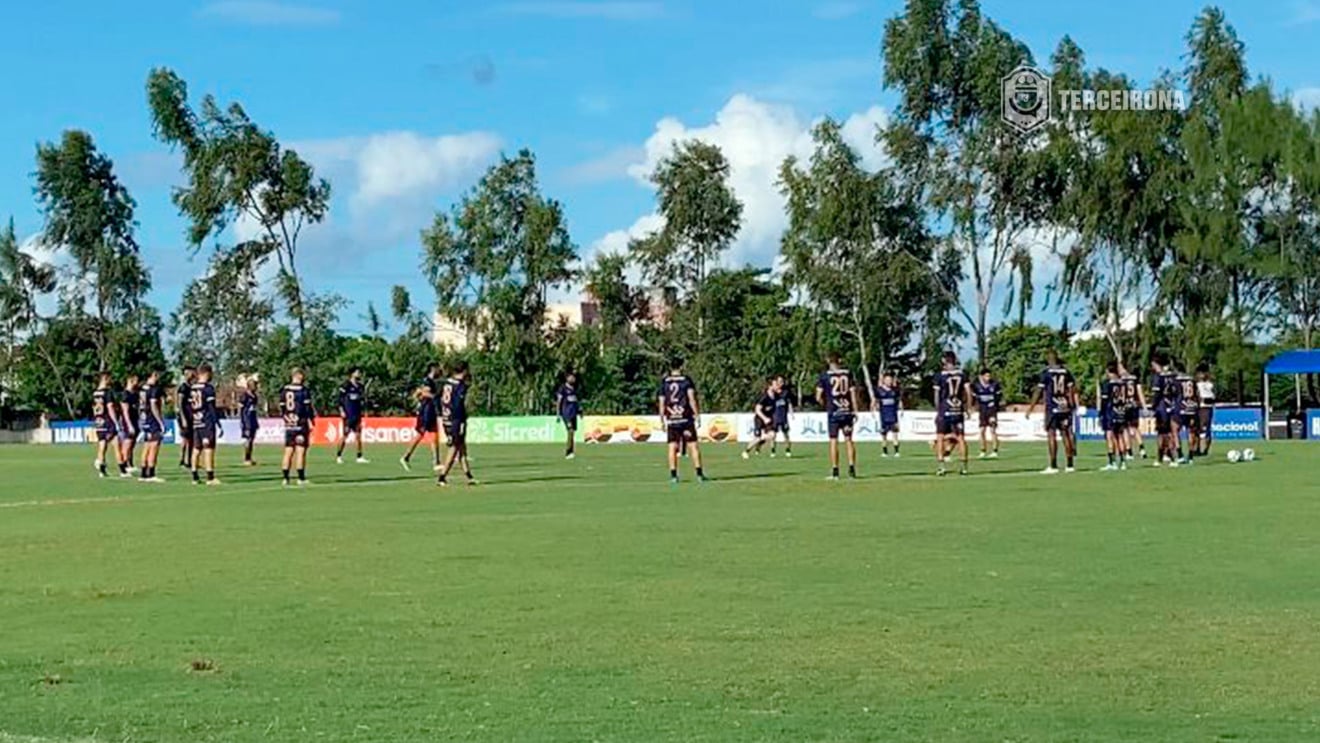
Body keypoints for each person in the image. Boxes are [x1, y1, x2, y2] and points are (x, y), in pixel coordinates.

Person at [1026, 350, 1078, 474]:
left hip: (1052, 407)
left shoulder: (1046, 373)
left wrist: (1031, 408)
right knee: (1066, 434)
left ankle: (1053, 465)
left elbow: (1038, 391)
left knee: (1051, 434)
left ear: (1049, 360)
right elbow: (1072, 390)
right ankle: (1070, 465)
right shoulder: (1066, 372)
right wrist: (1072, 405)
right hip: (1065, 406)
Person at [658, 357, 706, 484]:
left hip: (672, 419)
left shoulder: (665, 382)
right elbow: (691, 398)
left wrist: (662, 419)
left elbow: (662, 402)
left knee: (672, 447)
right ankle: (699, 474)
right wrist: (697, 414)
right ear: (681, 366)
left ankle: (674, 476)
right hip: (685, 417)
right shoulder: (686, 380)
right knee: (693, 446)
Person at [816, 353, 859, 481]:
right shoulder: (847, 374)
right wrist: (855, 410)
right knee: (849, 439)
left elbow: (818, 396)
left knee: (833, 440)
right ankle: (852, 469)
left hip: (833, 412)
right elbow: (852, 393)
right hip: (846, 411)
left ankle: (835, 471)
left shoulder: (824, 376)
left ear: (829, 361)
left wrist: (825, 404)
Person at [436, 362, 478, 487]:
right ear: (464, 371)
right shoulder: (460, 386)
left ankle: (469, 476)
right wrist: (463, 416)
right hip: (456, 420)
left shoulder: (446, 383)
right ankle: (442, 477)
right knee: (454, 448)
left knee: (462, 447)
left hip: (446, 418)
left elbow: (440, 399)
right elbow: (459, 404)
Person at [933, 352, 971, 477]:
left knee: (940, 437)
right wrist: (967, 408)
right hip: (958, 408)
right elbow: (968, 392)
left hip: (945, 409)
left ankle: (941, 467)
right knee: (961, 438)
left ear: (944, 361)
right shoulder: (962, 374)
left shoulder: (939, 376)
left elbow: (937, 395)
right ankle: (964, 467)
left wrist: (937, 409)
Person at [401, 364, 442, 472]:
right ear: (433, 369)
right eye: (438, 368)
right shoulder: (427, 380)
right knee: (420, 434)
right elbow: (424, 392)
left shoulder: (431, 381)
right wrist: (435, 396)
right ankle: (406, 457)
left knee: (434, 436)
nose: (440, 371)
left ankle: (436, 462)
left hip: (431, 411)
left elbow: (419, 392)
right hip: (426, 411)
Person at [279, 368, 316, 487]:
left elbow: (282, 407)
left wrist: (286, 417)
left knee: (288, 450)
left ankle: (285, 478)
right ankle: (301, 478)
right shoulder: (303, 390)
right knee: (300, 450)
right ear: (298, 375)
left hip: (289, 423)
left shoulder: (284, 390)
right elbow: (307, 408)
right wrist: (311, 420)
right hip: (300, 423)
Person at [189, 364, 220, 485]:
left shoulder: (193, 388)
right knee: (209, 448)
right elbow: (211, 407)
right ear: (206, 373)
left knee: (196, 448)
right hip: (206, 421)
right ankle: (210, 477)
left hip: (196, 421)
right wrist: (216, 422)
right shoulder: (208, 388)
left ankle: (194, 476)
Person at [92, 372, 126, 479]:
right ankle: (123, 470)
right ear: (105, 379)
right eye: (109, 379)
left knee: (102, 446)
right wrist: (116, 422)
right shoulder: (108, 392)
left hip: (99, 421)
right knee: (117, 445)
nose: (110, 381)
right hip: (108, 421)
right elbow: (110, 407)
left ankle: (102, 471)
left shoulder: (95, 393)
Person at [1150, 355, 1182, 467]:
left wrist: (1153, 407)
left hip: (1161, 408)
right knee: (1170, 433)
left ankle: (1162, 458)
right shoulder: (1173, 376)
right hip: (1172, 406)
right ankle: (1171, 456)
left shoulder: (1158, 377)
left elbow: (1156, 394)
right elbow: (1178, 393)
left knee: (1162, 434)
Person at [137, 370, 167, 483]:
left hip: (144, 418)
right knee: (154, 446)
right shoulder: (154, 390)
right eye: (156, 375)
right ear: (152, 376)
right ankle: (151, 474)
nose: (157, 378)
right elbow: (153, 405)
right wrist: (160, 422)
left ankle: (143, 473)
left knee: (147, 446)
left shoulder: (142, 389)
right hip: (152, 419)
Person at [1099, 362, 1128, 471]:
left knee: (1110, 436)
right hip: (1121, 411)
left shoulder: (1107, 384)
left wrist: (1101, 414)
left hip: (1110, 412)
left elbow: (1104, 401)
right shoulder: (1123, 384)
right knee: (1120, 436)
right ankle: (1123, 461)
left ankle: (1112, 462)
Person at [336, 368, 369, 465]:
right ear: (352, 374)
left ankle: (359, 456)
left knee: (358, 436)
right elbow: (339, 399)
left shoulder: (360, 386)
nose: (359, 374)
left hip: (357, 414)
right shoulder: (345, 385)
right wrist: (341, 411)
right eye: (357, 372)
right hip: (348, 414)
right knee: (345, 435)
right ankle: (339, 455)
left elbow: (361, 400)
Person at [970, 368, 1003, 459]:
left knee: (992, 430)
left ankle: (995, 451)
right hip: (982, 410)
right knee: (982, 431)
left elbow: (999, 397)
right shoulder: (976, 386)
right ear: (981, 376)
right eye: (986, 376)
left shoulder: (995, 384)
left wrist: (996, 407)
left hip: (992, 410)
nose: (988, 377)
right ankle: (982, 450)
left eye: (989, 375)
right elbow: (972, 396)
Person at [743, 378, 779, 459]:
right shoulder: (764, 397)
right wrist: (765, 418)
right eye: (775, 384)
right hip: (759, 419)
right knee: (757, 438)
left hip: (768, 419)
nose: (777, 386)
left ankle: (760, 443)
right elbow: (757, 409)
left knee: (773, 435)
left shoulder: (775, 396)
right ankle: (746, 451)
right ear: (770, 386)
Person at [1119, 363, 1147, 461]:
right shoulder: (1135, 380)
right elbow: (1140, 393)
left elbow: (1121, 394)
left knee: (1125, 429)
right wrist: (1144, 406)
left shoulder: (1121, 380)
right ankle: (1142, 449)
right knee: (1135, 428)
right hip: (1135, 405)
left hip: (1126, 406)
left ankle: (1129, 451)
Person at [872, 373, 901, 458]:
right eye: (887, 380)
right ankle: (885, 452)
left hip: (893, 416)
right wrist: (872, 409)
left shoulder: (895, 390)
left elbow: (899, 400)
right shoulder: (879, 390)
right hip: (883, 416)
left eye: (890, 380)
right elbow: (874, 400)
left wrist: (901, 409)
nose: (889, 382)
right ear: (884, 381)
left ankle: (896, 451)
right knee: (884, 435)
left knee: (895, 434)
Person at [119, 374, 141, 475]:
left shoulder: (135, 394)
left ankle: (129, 464)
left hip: (135, 420)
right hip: (128, 422)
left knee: (132, 444)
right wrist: (129, 424)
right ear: (130, 381)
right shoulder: (125, 394)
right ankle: (123, 467)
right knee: (127, 444)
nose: (138, 383)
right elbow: (125, 411)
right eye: (136, 380)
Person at [556, 372, 581, 460]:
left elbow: (576, 402)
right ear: (567, 378)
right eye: (571, 377)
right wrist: (558, 413)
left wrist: (580, 412)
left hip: (573, 413)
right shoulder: (562, 388)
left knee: (572, 433)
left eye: (574, 377)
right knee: (570, 431)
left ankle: (571, 451)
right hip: (566, 414)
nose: (573, 379)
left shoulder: (574, 389)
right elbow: (559, 401)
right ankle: (568, 452)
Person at [175, 365, 196, 469]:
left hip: (191, 416)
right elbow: (179, 403)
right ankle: (182, 460)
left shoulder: (191, 387)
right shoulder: (183, 388)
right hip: (185, 417)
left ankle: (190, 460)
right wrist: (183, 418)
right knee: (185, 438)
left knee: (191, 439)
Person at [769, 375, 793, 458]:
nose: (781, 383)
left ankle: (788, 450)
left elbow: (789, 403)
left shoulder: (786, 392)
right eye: (779, 381)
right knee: (773, 435)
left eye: (782, 381)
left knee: (786, 435)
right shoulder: (773, 392)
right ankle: (773, 450)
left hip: (783, 417)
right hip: (775, 417)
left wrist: (791, 413)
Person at [1196, 364, 1216, 456]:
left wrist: (1204, 400)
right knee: (1198, 429)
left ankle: (1205, 449)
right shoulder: (1197, 384)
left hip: (1206, 408)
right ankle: (1197, 448)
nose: (1200, 375)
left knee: (1205, 429)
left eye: (1202, 373)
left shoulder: (1210, 385)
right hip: (1198, 408)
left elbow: (1213, 398)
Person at [240, 376, 260, 466]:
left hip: (253, 419)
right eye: (255, 385)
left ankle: (250, 457)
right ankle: (246, 458)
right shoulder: (244, 395)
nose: (256, 387)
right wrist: (242, 420)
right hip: (247, 419)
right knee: (248, 439)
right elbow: (240, 408)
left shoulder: (255, 396)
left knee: (252, 439)